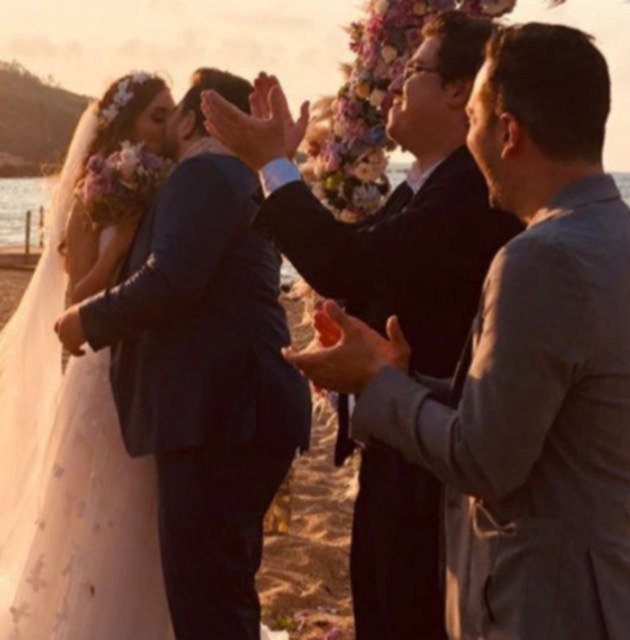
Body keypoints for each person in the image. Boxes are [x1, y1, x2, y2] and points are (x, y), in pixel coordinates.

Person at [285, 23, 630, 640]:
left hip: (545, 605)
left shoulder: (540, 258)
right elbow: (542, 416)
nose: (470, 142)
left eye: (474, 118)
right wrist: (404, 378)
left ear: (508, 132)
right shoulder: (613, 234)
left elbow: (484, 460)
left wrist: (375, 385)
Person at [201, 12, 522, 639]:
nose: (397, 83)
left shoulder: (468, 191)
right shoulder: (424, 186)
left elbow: (345, 262)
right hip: (396, 452)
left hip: (436, 465)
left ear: (459, 90)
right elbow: (360, 261)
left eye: (416, 68)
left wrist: (272, 164)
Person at [56, 68, 312, 640]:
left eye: (173, 115)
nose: (166, 125)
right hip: (238, 411)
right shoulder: (241, 179)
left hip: (220, 416)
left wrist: (86, 321)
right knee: (225, 592)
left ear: (196, 121)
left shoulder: (203, 174)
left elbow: (171, 280)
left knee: (207, 605)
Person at [0, 72, 177, 639]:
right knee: (95, 515)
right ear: (125, 125)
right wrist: (117, 247)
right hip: (99, 375)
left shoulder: (170, 189)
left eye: (173, 114)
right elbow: (75, 301)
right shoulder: (92, 196)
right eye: (157, 115)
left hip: (152, 374)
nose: (170, 127)